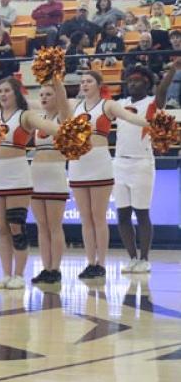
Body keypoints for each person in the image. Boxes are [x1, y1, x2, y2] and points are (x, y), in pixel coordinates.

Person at [0, 60, 61, 290]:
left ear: (16, 93)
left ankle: (19, 274)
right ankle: (6, 274)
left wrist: (68, 132)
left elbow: (50, 127)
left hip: (17, 174)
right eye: (0, 91)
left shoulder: (25, 116)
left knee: (16, 226)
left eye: (7, 91)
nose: (2, 94)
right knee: (1, 228)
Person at [59, 71, 150, 279]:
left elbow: (130, 117)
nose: (84, 84)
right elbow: (52, 98)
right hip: (77, 164)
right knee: (85, 218)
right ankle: (90, 262)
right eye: (82, 82)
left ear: (99, 84)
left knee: (98, 217)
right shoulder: (73, 105)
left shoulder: (108, 105)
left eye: (89, 81)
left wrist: (151, 124)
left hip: (99, 162)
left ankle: (101, 263)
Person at [114, 64, 172, 274]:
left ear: (146, 83)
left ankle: (145, 258)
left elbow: (163, 90)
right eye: (129, 81)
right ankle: (131, 258)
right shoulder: (120, 103)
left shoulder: (152, 104)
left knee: (142, 213)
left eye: (136, 81)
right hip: (119, 162)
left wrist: (172, 71)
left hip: (141, 163)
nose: (132, 84)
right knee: (122, 215)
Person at [30, 80, 70, 284]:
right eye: (42, 95)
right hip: (36, 175)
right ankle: (46, 267)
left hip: (55, 174)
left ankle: (56, 268)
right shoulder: (38, 118)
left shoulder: (63, 117)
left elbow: (64, 101)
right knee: (41, 226)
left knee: (54, 226)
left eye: (49, 94)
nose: (44, 98)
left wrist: (57, 80)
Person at [165, 30, 181, 108]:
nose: (175, 40)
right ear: (170, 41)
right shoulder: (167, 51)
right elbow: (164, 65)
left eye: (177, 37)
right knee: (166, 75)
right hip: (170, 71)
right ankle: (169, 102)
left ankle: (173, 101)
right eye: (173, 38)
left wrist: (173, 64)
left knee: (176, 74)